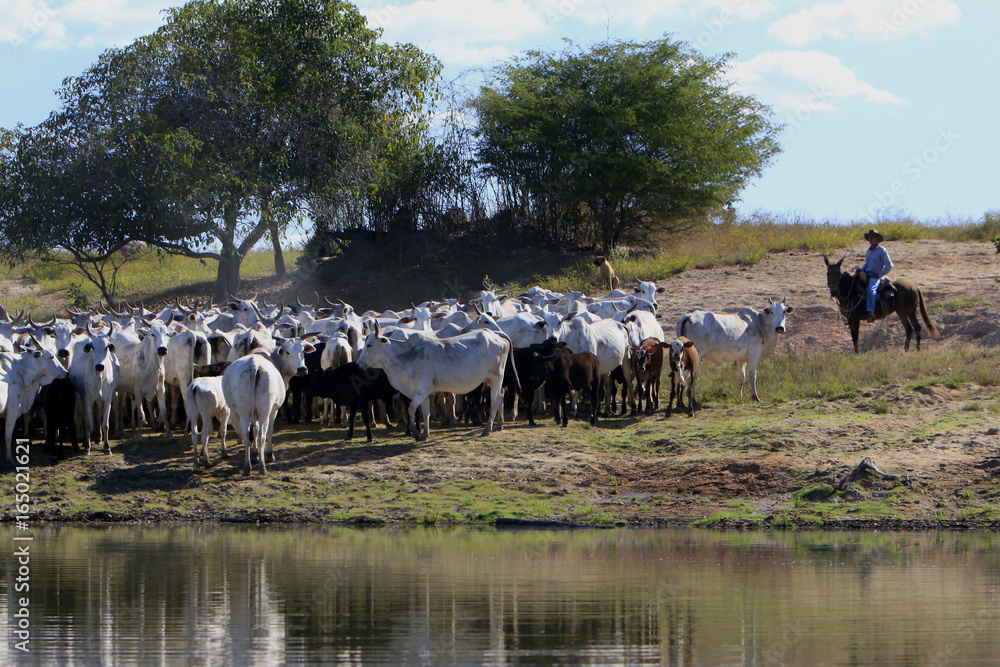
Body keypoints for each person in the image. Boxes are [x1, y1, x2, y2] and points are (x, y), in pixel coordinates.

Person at [861, 229, 893, 323]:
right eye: (869, 238)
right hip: (867, 273)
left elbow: (889, 265)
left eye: (872, 237)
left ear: (877, 238)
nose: (870, 239)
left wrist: (879, 274)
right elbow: (867, 264)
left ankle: (871, 312)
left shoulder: (882, 250)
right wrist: (861, 271)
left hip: (876, 276)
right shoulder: (869, 251)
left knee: (871, 289)